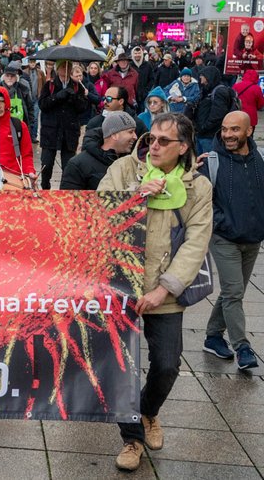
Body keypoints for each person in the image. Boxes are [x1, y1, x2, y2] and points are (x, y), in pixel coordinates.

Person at [99, 113, 212, 471]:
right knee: (122, 368)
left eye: (165, 141)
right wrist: (135, 196)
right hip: (120, 285)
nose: (154, 145)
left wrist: (165, 290)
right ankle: (132, 438)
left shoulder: (198, 187)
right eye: (151, 138)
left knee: (166, 365)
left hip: (165, 292)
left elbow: (196, 243)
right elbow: (100, 212)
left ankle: (148, 412)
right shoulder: (123, 170)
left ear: (183, 147)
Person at [201, 111, 264, 370]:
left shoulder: (260, 158)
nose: (228, 134)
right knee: (234, 291)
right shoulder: (211, 161)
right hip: (223, 237)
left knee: (232, 290)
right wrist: (221, 222)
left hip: (253, 238)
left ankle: (213, 336)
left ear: (249, 131)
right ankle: (242, 347)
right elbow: (203, 200)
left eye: (235, 130)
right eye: (225, 129)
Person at [37, 61, 89, 189]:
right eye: (63, 67)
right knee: (47, 164)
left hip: (69, 132)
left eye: (68, 67)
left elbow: (83, 108)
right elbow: (42, 105)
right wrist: (57, 97)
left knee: (68, 166)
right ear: (58, 68)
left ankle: (63, 190)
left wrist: (74, 98)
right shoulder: (50, 85)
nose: (65, 69)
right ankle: (45, 187)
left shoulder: (78, 86)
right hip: (50, 131)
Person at [59, 111, 137, 190]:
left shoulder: (133, 162)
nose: (135, 137)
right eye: (130, 132)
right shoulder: (78, 164)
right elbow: (68, 199)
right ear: (114, 135)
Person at [82, 86, 148, 154]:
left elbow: (144, 149)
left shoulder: (137, 124)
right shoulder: (94, 123)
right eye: (104, 98)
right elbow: (87, 148)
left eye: (109, 99)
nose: (105, 102)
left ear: (121, 101)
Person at [195, 65, 240, 155]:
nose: (200, 79)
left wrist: (205, 127)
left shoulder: (219, 91)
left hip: (210, 135)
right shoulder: (207, 89)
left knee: (209, 161)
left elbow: (218, 114)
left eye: (202, 76)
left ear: (208, 76)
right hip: (202, 133)